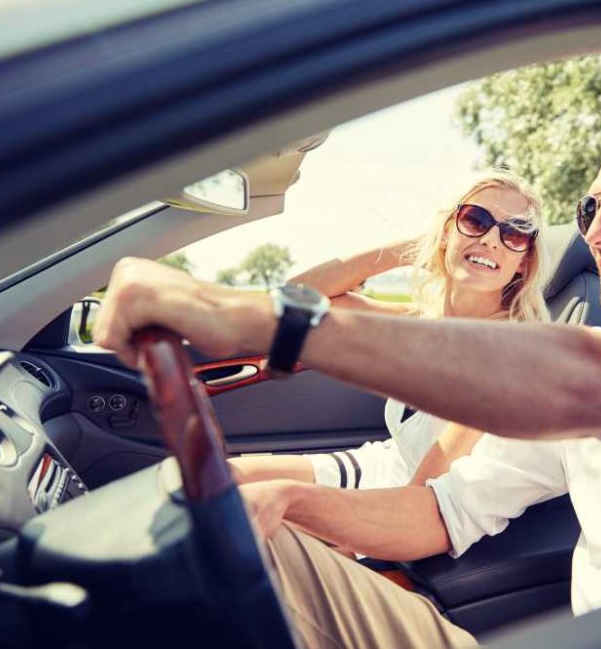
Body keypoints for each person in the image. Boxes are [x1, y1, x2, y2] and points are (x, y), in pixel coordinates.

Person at [94, 112, 601, 648]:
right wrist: (293, 503)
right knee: (226, 541)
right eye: (588, 211)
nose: (598, 233)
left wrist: (270, 319)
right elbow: (446, 507)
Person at [227, 172, 554, 492]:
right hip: (379, 467)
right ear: (446, 232)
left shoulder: (503, 356)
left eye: (514, 233)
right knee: (220, 478)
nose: (490, 240)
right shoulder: (423, 322)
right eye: (475, 221)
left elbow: (416, 501)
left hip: (401, 508)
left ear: (524, 262)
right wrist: (411, 249)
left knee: (242, 509)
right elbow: (297, 296)